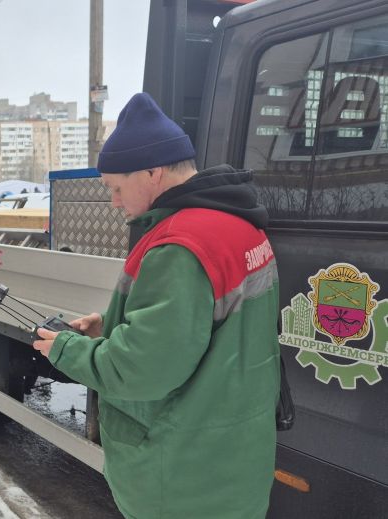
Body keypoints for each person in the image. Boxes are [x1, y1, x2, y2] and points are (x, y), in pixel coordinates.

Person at [32, 93, 280, 519]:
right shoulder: (240, 226)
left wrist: (67, 350)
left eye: (115, 187)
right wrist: (108, 329)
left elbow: (143, 370)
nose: (112, 202)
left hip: (183, 483)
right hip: (231, 466)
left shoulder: (179, 244)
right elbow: (208, 336)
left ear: (153, 171)